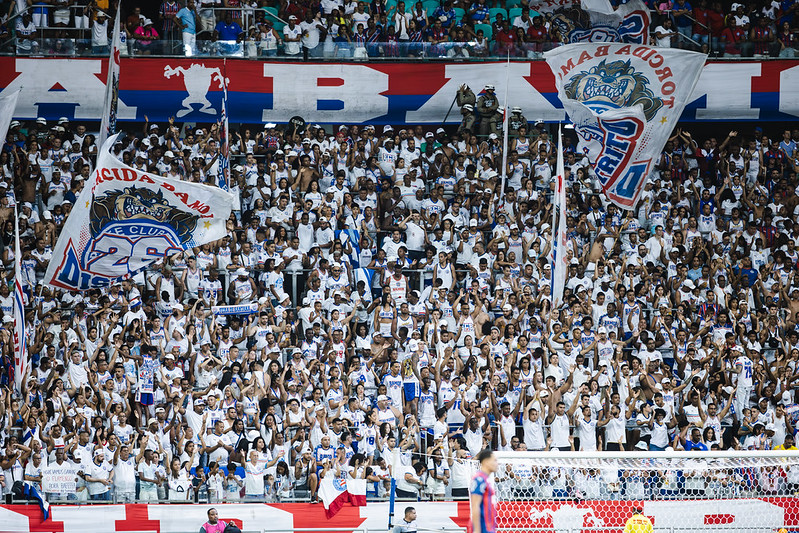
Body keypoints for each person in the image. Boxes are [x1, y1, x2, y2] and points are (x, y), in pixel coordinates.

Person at [470, 450, 498, 533]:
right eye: (494, 460)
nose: (497, 463)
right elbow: (475, 505)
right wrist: (477, 530)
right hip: (483, 528)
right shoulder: (479, 479)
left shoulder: (485, 479)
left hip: (489, 527)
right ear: (486, 462)